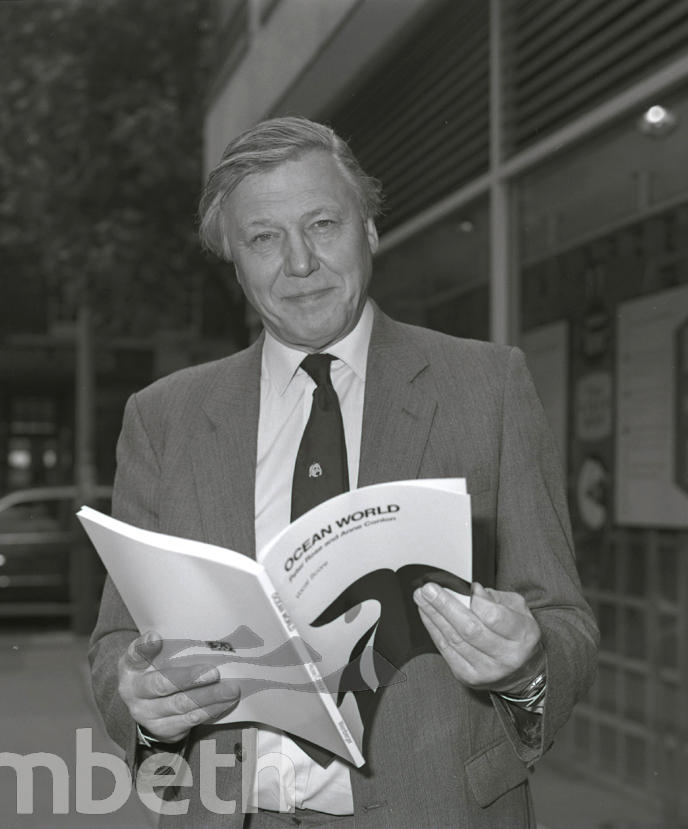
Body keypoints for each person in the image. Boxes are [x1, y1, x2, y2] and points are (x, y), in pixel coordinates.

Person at [88, 116, 598, 828]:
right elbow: (117, 642)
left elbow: (564, 623)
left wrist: (523, 660)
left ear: (369, 231)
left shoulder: (489, 387)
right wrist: (142, 703)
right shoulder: (162, 417)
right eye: (264, 237)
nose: (299, 262)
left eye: (322, 224)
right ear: (234, 259)